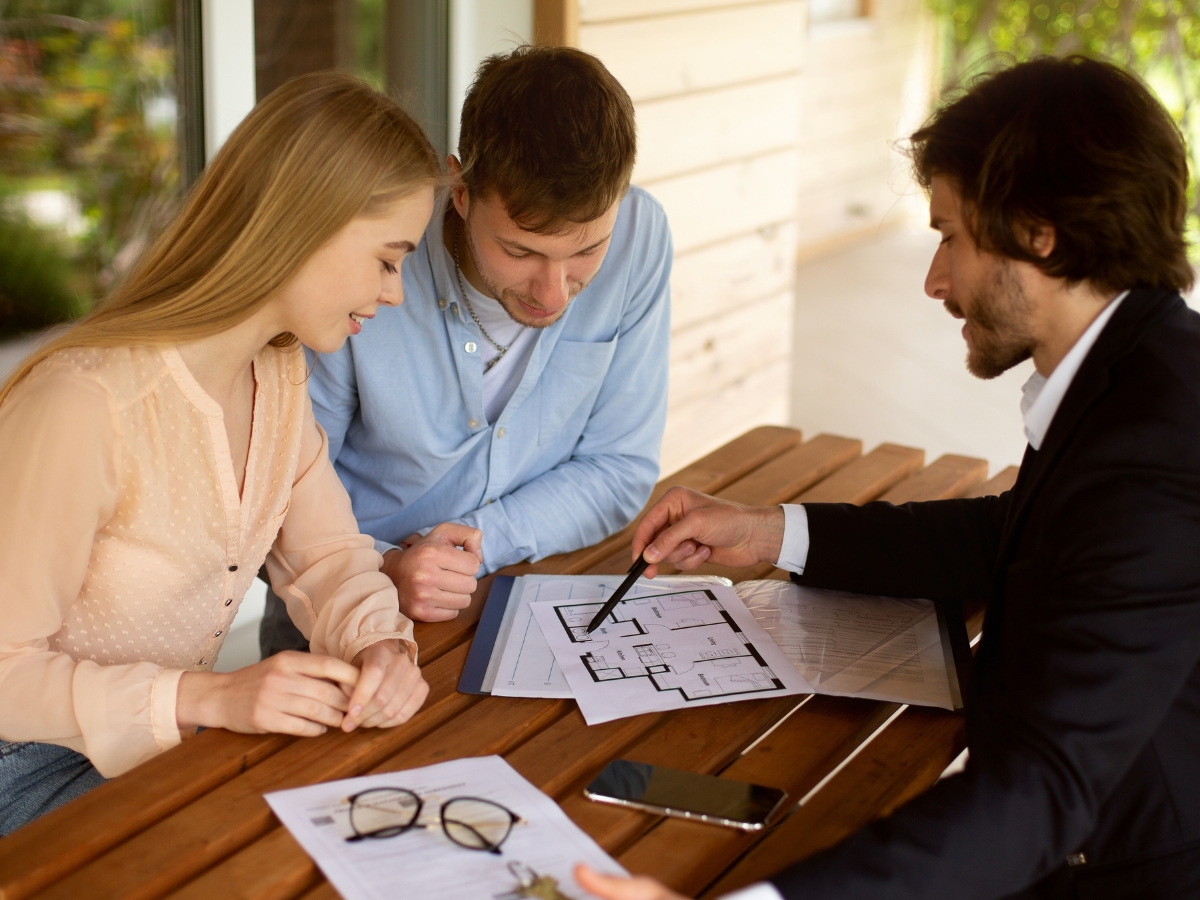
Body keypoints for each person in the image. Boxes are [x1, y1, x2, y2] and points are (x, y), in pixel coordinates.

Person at [573, 56, 1200, 900]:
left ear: (1040, 233)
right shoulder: (1134, 368)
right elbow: (1009, 537)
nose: (936, 280)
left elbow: (1042, 794)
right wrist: (769, 532)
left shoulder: (1157, 451)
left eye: (951, 236)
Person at [0, 72, 438, 834]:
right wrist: (208, 698)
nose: (397, 292)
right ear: (308, 224)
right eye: (388, 258)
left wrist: (381, 647)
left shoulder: (277, 369)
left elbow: (328, 556)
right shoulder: (85, 403)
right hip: (24, 771)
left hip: (156, 752)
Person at [259, 45, 671, 653]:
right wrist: (387, 569)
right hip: (345, 617)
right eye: (522, 251)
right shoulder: (366, 264)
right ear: (459, 189)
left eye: (585, 252)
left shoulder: (641, 233)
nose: (554, 294)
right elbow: (277, 497)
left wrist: (474, 544)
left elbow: (620, 470)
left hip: (536, 602)